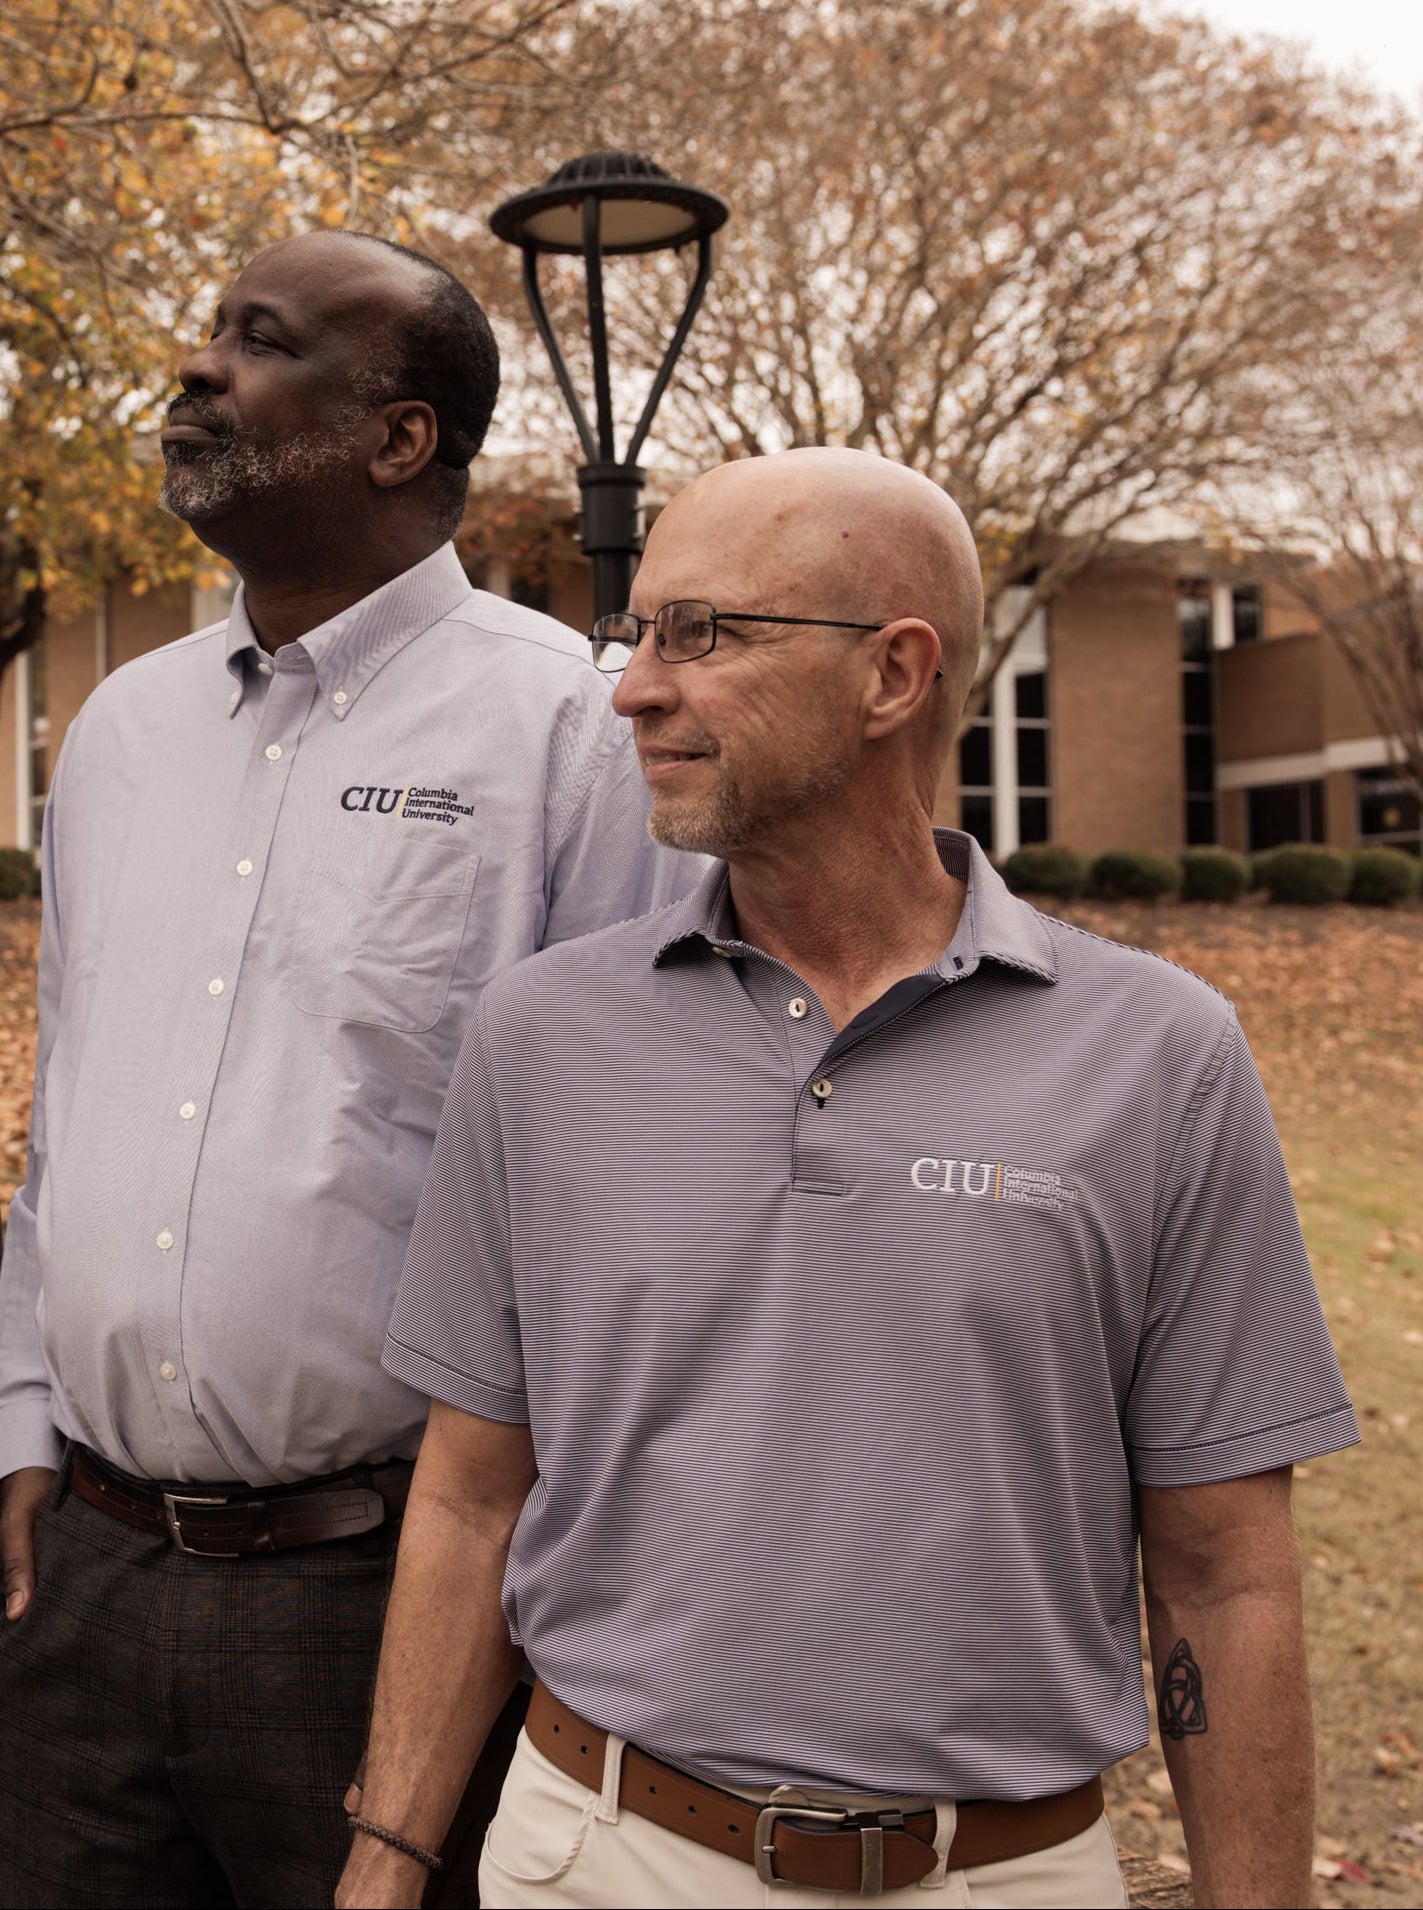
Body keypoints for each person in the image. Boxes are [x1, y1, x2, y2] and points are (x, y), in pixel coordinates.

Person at [338, 447, 1359, 1910]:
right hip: (594, 1856)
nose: (630, 686)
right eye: (634, 632)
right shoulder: (541, 1035)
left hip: (1001, 1875)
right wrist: (386, 1860)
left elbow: (1223, 1571)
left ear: (894, 675)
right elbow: (469, 1497)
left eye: (702, 632)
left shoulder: (1160, 1055)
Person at [0, 229, 698, 1909]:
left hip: (388, 1593)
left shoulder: (569, 735)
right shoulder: (114, 736)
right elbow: (64, 1126)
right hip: (73, 1584)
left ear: (401, 437)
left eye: (259, 340)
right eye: (207, 328)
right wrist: (18, 1419)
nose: (197, 367)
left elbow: (637, 1200)